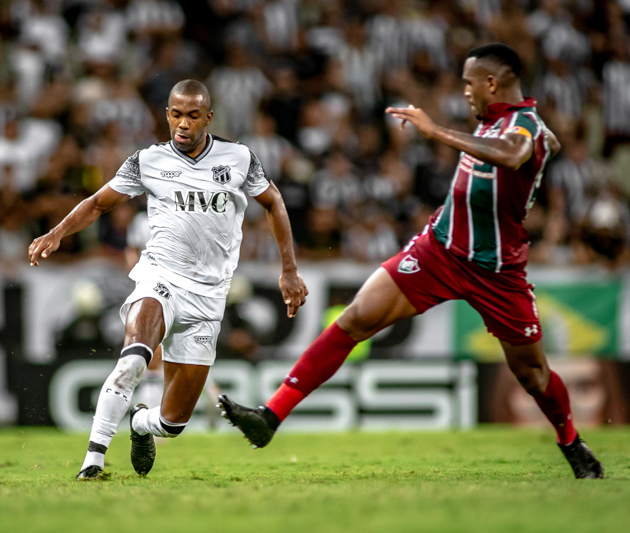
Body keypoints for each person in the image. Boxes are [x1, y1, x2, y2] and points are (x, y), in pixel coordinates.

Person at [218, 43, 604, 480]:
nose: (464, 91)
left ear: (492, 83)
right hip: (438, 250)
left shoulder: (522, 126)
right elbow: (531, 145)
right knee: (354, 320)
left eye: (469, 82)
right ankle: (270, 417)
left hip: (497, 271)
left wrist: (435, 130)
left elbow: (515, 155)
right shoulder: (499, 124)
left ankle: (571, 441)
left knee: (532, 375)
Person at [28, 79, 308, 479]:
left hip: (210, 296)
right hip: (161, 278)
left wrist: (289, 269)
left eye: (192, 116)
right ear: (167, 115)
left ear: (208, 118)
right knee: (134, 358)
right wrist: (56, 232)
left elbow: (274, 203)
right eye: (175, 114)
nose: (182, 124)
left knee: (174, 422)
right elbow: (97, 204)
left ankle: (141, 425)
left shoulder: (240, 158)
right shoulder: (147, 160)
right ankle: (93, 461)